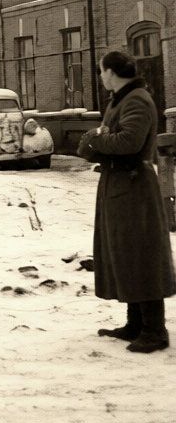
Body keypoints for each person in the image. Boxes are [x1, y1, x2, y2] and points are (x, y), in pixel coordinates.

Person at [77, 50, 176, 353]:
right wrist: (98, 139)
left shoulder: (136, 99)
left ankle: (154, 331)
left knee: (141, 254)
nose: (101, 76)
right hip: (119, 183)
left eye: (102, 70)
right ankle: (135, 323)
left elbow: (128, 142)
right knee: (124, 253)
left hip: (134, 186)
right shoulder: (120, 100)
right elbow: (100, 144)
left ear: (113, 72)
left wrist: (95, 136)